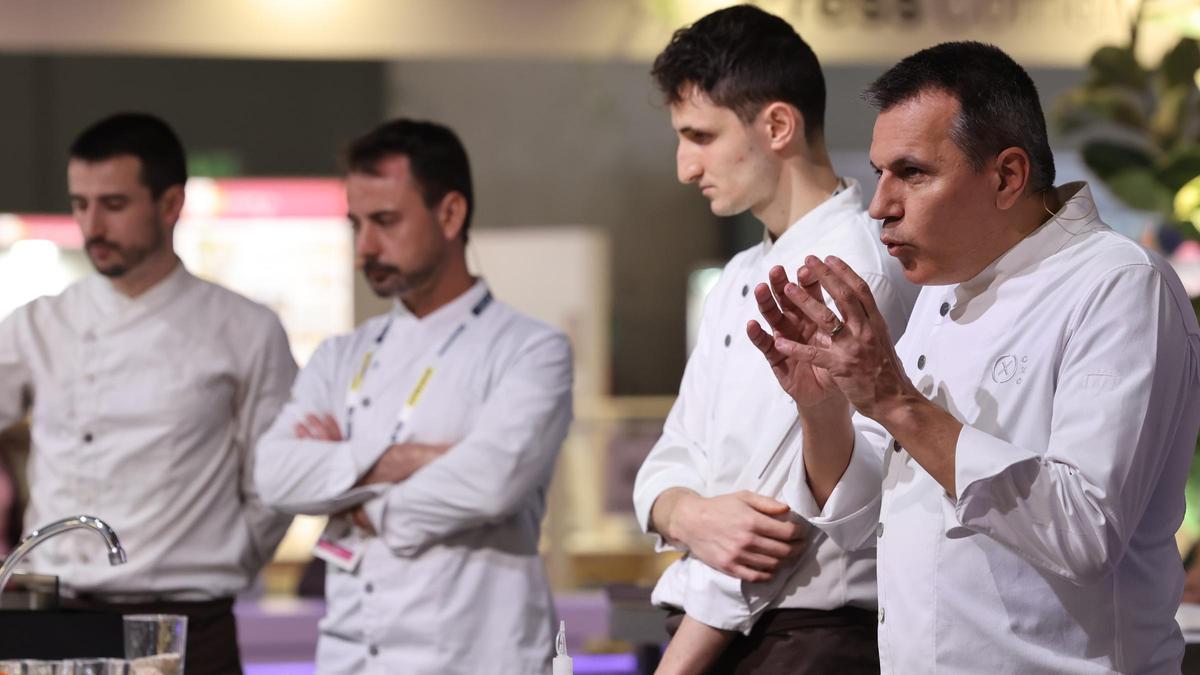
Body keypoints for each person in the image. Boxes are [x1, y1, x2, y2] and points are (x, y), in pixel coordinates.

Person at [750, 41, 1200, 673]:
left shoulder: (1118, 283)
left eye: (911, 173)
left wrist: (896, 401)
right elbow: (865, 519)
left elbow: (1083, 532)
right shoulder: (943, 295)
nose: (881, 204)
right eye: (881, 173)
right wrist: (823, 410)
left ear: (1007, 176)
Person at [631, 6, 917, 673]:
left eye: (700, 136)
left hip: (805, 638)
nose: (683, 166)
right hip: (715, 634)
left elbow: (780, 525)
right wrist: (684, 511)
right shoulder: (738, 273)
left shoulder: (855, 265)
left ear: (779, 125)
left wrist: (678, 665)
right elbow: (671, 453)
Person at [253, 118, 574, 675]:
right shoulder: (341, 356)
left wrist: (348, 494)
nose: (364, 248)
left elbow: (490, 482)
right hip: (349, 655)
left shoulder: (530, 349)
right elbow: (275, 474)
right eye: (356, 224)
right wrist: (406, 460)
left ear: (450, 214)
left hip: (481, 658)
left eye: (385, 222)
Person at [0, 112, 297, 675]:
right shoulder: (41, 322)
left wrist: (228, 559)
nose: (92, 225)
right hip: (51, 607)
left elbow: (276, 482)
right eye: (80, 204)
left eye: (113, 205)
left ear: (169, 205)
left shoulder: (244, 329)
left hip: (181, 615)